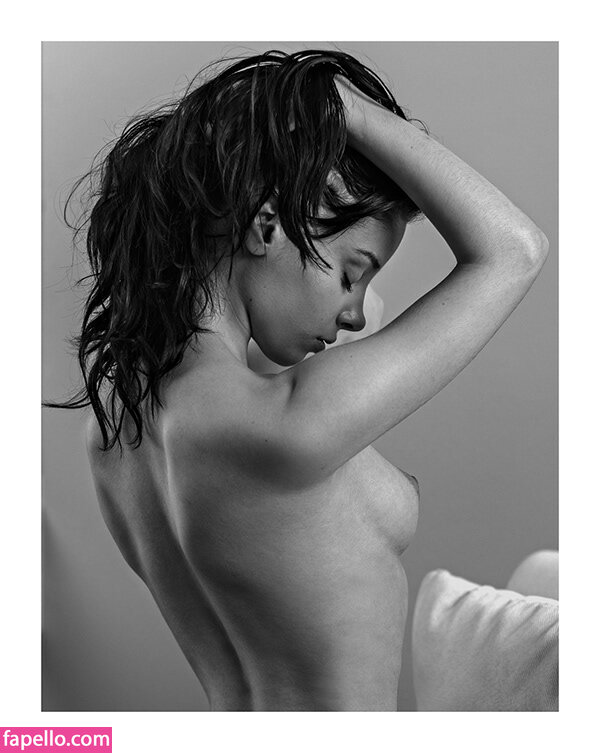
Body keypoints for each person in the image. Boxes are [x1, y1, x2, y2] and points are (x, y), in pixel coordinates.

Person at [47, 49, 549, 711]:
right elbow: (515, 249)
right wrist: (340, 106)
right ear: (265, 226)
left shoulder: (116, 430)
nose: (354, 309)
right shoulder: (283, 423)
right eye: (352, 272)